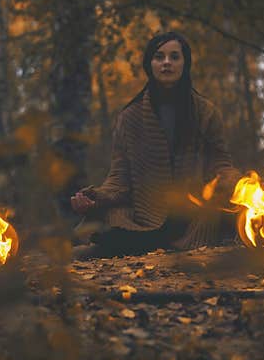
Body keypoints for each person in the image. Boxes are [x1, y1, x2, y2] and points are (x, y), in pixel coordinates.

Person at [71, 31, 241, 257]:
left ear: (185, 63)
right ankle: (144, 241)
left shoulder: (206, 112)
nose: (167, 63)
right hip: (144, 215)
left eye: (174, 57)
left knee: (226, 215)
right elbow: (119, 177)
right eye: (159, 57)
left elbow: (221, 164)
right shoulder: (129, 117)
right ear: (150, 64)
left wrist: (239, 184)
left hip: (192, 212)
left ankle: (154, 243)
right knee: (111, 219)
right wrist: (96, 198)